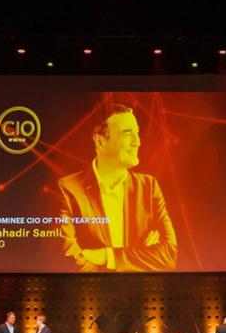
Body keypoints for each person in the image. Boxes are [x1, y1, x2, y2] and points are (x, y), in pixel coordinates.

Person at [58, 104, 178, 272]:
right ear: (100, 142)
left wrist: (108, 256)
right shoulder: (68, 189)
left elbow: (169, 256)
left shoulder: (149, 187)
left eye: (137, 132)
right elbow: (68, 261)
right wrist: (140, 255)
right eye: (128, 133)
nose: (137, 142)